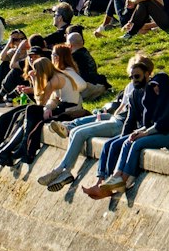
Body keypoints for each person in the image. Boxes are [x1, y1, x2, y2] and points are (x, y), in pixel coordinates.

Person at [36, 54, 155, 192]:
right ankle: (66, 149)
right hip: (117, 118)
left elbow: (136, 117)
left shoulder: (147, 89)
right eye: (131, 74)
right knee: (87, 123)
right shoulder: (131, 86)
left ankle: (62, 169)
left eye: (136, 74)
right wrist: (109, 116)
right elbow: (122, 107)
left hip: (121, 124)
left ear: (146, 72)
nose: (133, 77)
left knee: (80, 133)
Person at [82, 72, 169, 197]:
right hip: (157, 132)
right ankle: (116, 176)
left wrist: (145, 133)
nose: (155, 88)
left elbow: (163, 124)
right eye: (153, 86)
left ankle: (123, 180)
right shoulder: (157, 99)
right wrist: (138, 132)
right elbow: (150, 123)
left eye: (157, 85)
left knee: (137, 144)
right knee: (128, 141)